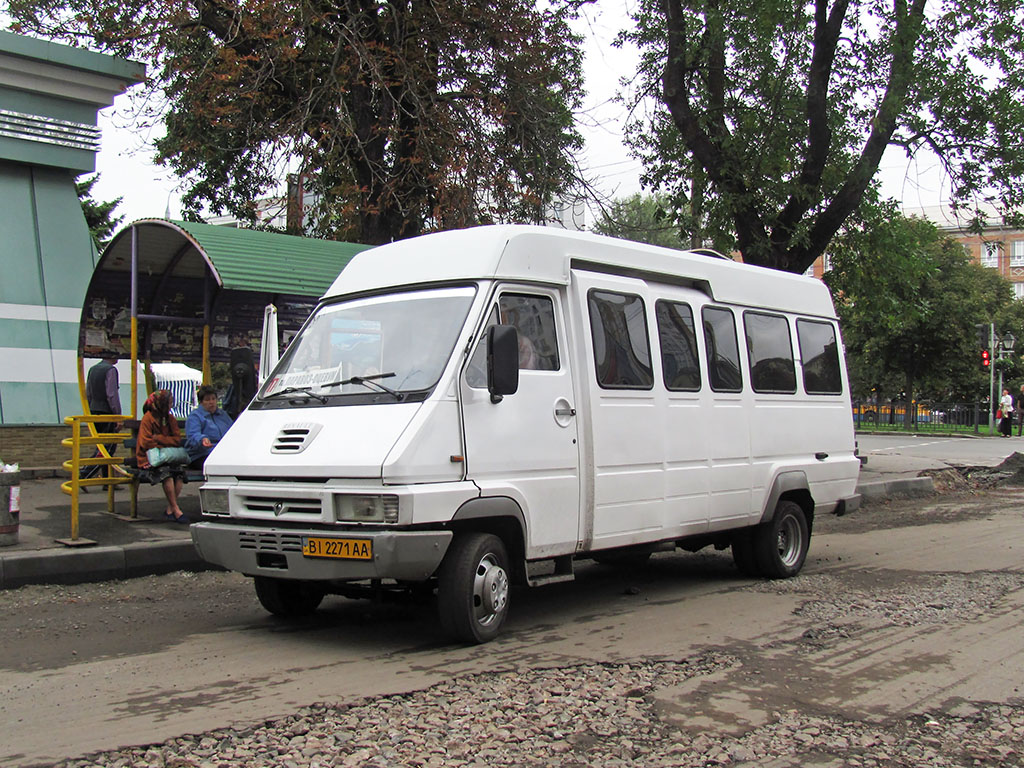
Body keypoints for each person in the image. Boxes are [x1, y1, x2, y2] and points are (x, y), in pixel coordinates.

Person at [137, 389, 190, 523]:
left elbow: (177, 439)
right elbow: (145, 442)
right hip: (149, 458)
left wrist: (159, 439)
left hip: (167, 456)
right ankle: (176, 510)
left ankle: (170, 509)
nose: (171, 405)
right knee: (166, 474)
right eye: (169, 402)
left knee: (179, 474)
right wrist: (165, 442)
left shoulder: (169, 418)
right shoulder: (147, 419)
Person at [82, 355, 121, 479]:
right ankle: (85, 473)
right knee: (107, 448)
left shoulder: (93, 369)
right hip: (106, 412)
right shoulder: (111, 370)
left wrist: (90, 409)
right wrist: (118, 416)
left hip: (94, 409)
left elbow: (88, 392)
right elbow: (112, 394)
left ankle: (106, 479)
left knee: (101, 444)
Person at [184, 385, 233, 469]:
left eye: (213, 399)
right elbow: (193, 434)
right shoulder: (195, 416)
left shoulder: (223, 414)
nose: (211, 402)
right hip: (202, 454)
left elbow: (233, 431)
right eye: (207, 399)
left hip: (224, 451)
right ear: (201, 402)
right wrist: (202, 439)